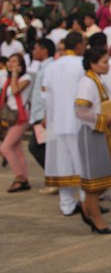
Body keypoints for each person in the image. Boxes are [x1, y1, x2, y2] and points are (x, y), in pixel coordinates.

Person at [74, 47, 111, 234]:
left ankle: (87, 208)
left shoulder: (98, 80)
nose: (108, 65)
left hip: (102, 134)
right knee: (94, 184)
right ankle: (96, 219)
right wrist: (104, 120)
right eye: (104, 61)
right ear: (93, 64)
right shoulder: (87, 82)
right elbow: (80, 111)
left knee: (105, 178)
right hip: (92, 135)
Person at [43, 32, 87, 215]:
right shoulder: (82, 64)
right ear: (78, 45)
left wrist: (50, 116)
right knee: (83, 164)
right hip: (79, 121)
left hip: (58, 121)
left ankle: (66, 204)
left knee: (63, 163)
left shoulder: (52, 66)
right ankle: (87, 203)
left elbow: (45, 96)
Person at [0, 53, 33, 192]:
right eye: (9, 61)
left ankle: (19, 178)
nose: (10, 63)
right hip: (12, 116)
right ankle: (24, 179)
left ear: (21, 65)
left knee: (5, 148)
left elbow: (15, 90)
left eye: (14, 61)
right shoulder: (8, 78)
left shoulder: (26, 78)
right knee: (17, 148)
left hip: (21, 116)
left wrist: (14, 74)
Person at [27, 39, 55, 177]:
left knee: (36, 147)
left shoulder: (49, 67)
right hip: (39, 114)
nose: (33, 51)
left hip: (43, 116)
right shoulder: (43, 67)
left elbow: (49, 94)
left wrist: (46, 115)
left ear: (44, 50)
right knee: (44, 147)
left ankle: (55, 176)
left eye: (36, 48)